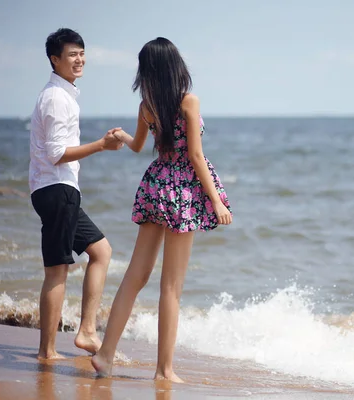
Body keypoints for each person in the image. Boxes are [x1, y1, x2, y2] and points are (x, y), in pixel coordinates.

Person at [91, 37, 232, 382]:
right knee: (171, 287)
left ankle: (106, 356)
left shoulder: (147, 105)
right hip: (183, 190)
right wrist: (215, 200)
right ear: (175, 65)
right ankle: (164, 370)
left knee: (135, 276)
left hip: (155, 185)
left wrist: (122, 136)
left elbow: (139, 146)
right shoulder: (189, 101)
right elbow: (196, 156)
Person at [29, 28, 123, 359]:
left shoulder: (63, 95)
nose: (79, 59)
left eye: (82, 52)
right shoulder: (56, 98)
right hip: (56, 188)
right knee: (57, 270)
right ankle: (47, 351)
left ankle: (86, 331)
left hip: (59, 190)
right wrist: (101, 145)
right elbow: (56, 152)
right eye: (72, 54)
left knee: (101, 251)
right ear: (55, 60)